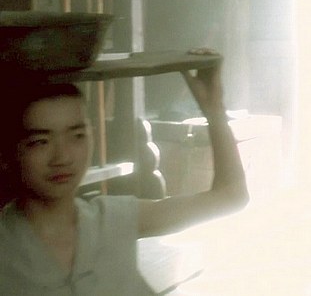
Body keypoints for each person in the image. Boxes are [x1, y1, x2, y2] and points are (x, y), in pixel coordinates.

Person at [0, 49, 249, 295]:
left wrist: (214, 109)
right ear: (9, 153)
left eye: (77, 136)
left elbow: (230, 196)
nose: (62, 157)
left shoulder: (112, 219)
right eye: (40, 142)